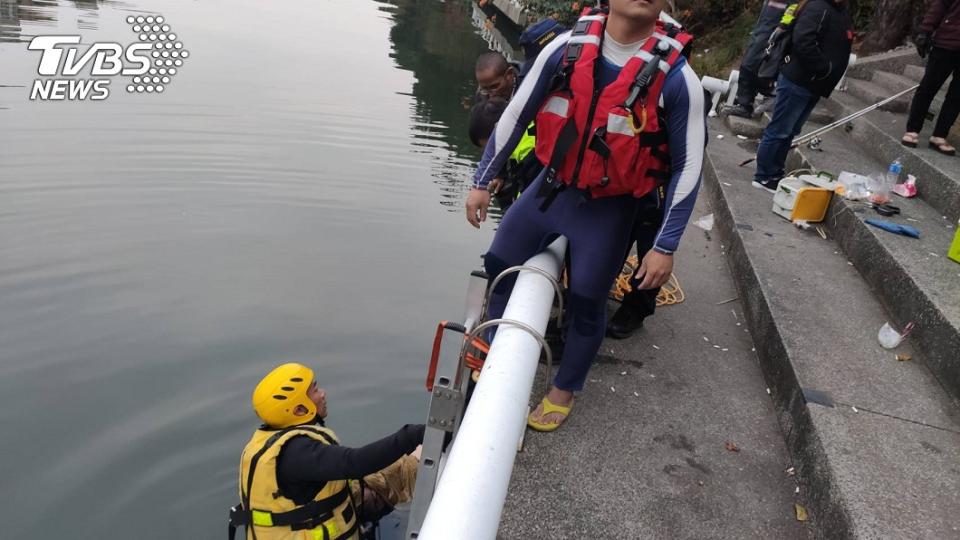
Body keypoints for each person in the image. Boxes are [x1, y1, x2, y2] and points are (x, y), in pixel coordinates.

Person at [465, 0, 706, 432]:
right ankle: (491, 345)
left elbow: (689, 167)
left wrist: (665, 246)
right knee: (500, 260)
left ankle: (564, 387)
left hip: (611, 207)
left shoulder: (677, 79)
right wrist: (483, 180)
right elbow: (518, 113)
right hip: (550, 189)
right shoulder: (565, 48)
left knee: (589, 298)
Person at [229, 363, 424, 540]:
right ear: (298, 410)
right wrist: (412, 435)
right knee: (380, 475)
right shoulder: (297, 453)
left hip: (309, 514)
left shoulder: (272, 439)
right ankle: (418, 459)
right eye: (314, 391)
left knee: (374, 482)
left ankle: (415, 459)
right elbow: (354, 463)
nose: (322, 394)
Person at [752, 0, 852, 193]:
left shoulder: (841, 11)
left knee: (790, 131)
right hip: (799, 80)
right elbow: (804, 40)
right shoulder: (818, 6)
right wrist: (823, 68)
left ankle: (775, 172)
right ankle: (764, 175)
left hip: (815, 84)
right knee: (780, 129)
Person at [901, 0, 960, 156]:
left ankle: (939, 136)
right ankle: (912, 130)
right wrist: (925, 31)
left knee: (957, 96)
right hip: (947, 43)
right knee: (928, 88)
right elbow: (941, 4)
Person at [720, 0, 795, 118]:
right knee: (750, 66)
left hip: (771, 33)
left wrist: (782, 26)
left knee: (750, 66)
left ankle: (750, 102)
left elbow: (793, 9)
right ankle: (746, 101)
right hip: (763, 30)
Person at [468, 96, 540, 212]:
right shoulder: (524, 120)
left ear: (498, 130)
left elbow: (528, 199)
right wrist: (500, 175)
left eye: (489, 148)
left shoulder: (525, 151)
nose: (488, 154)